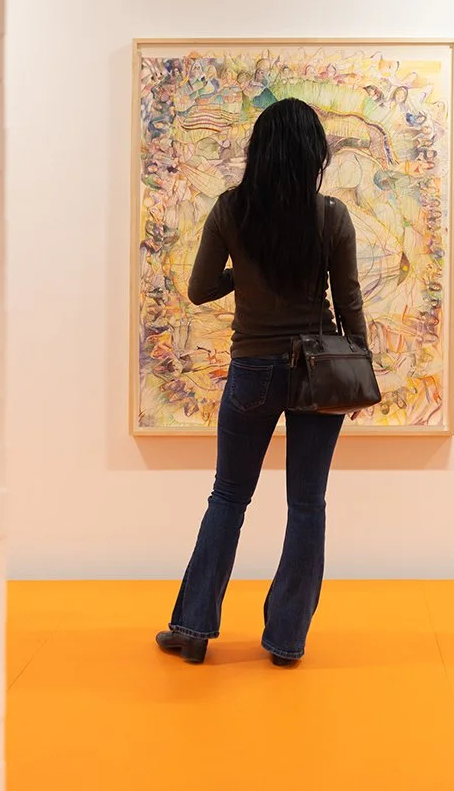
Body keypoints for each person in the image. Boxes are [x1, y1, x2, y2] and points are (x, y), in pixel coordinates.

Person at [156, 97, 366, 668]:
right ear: (314, 155)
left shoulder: (230, 210)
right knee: (306, 504)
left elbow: (200, 289)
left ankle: (193, 628)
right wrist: (359, 370)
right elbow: (346, 301)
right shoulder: (332, 217)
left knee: (228, 496)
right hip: (317, 372)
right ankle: (286, 641)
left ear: (260, 153)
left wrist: (243, 272)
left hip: (252, 368)